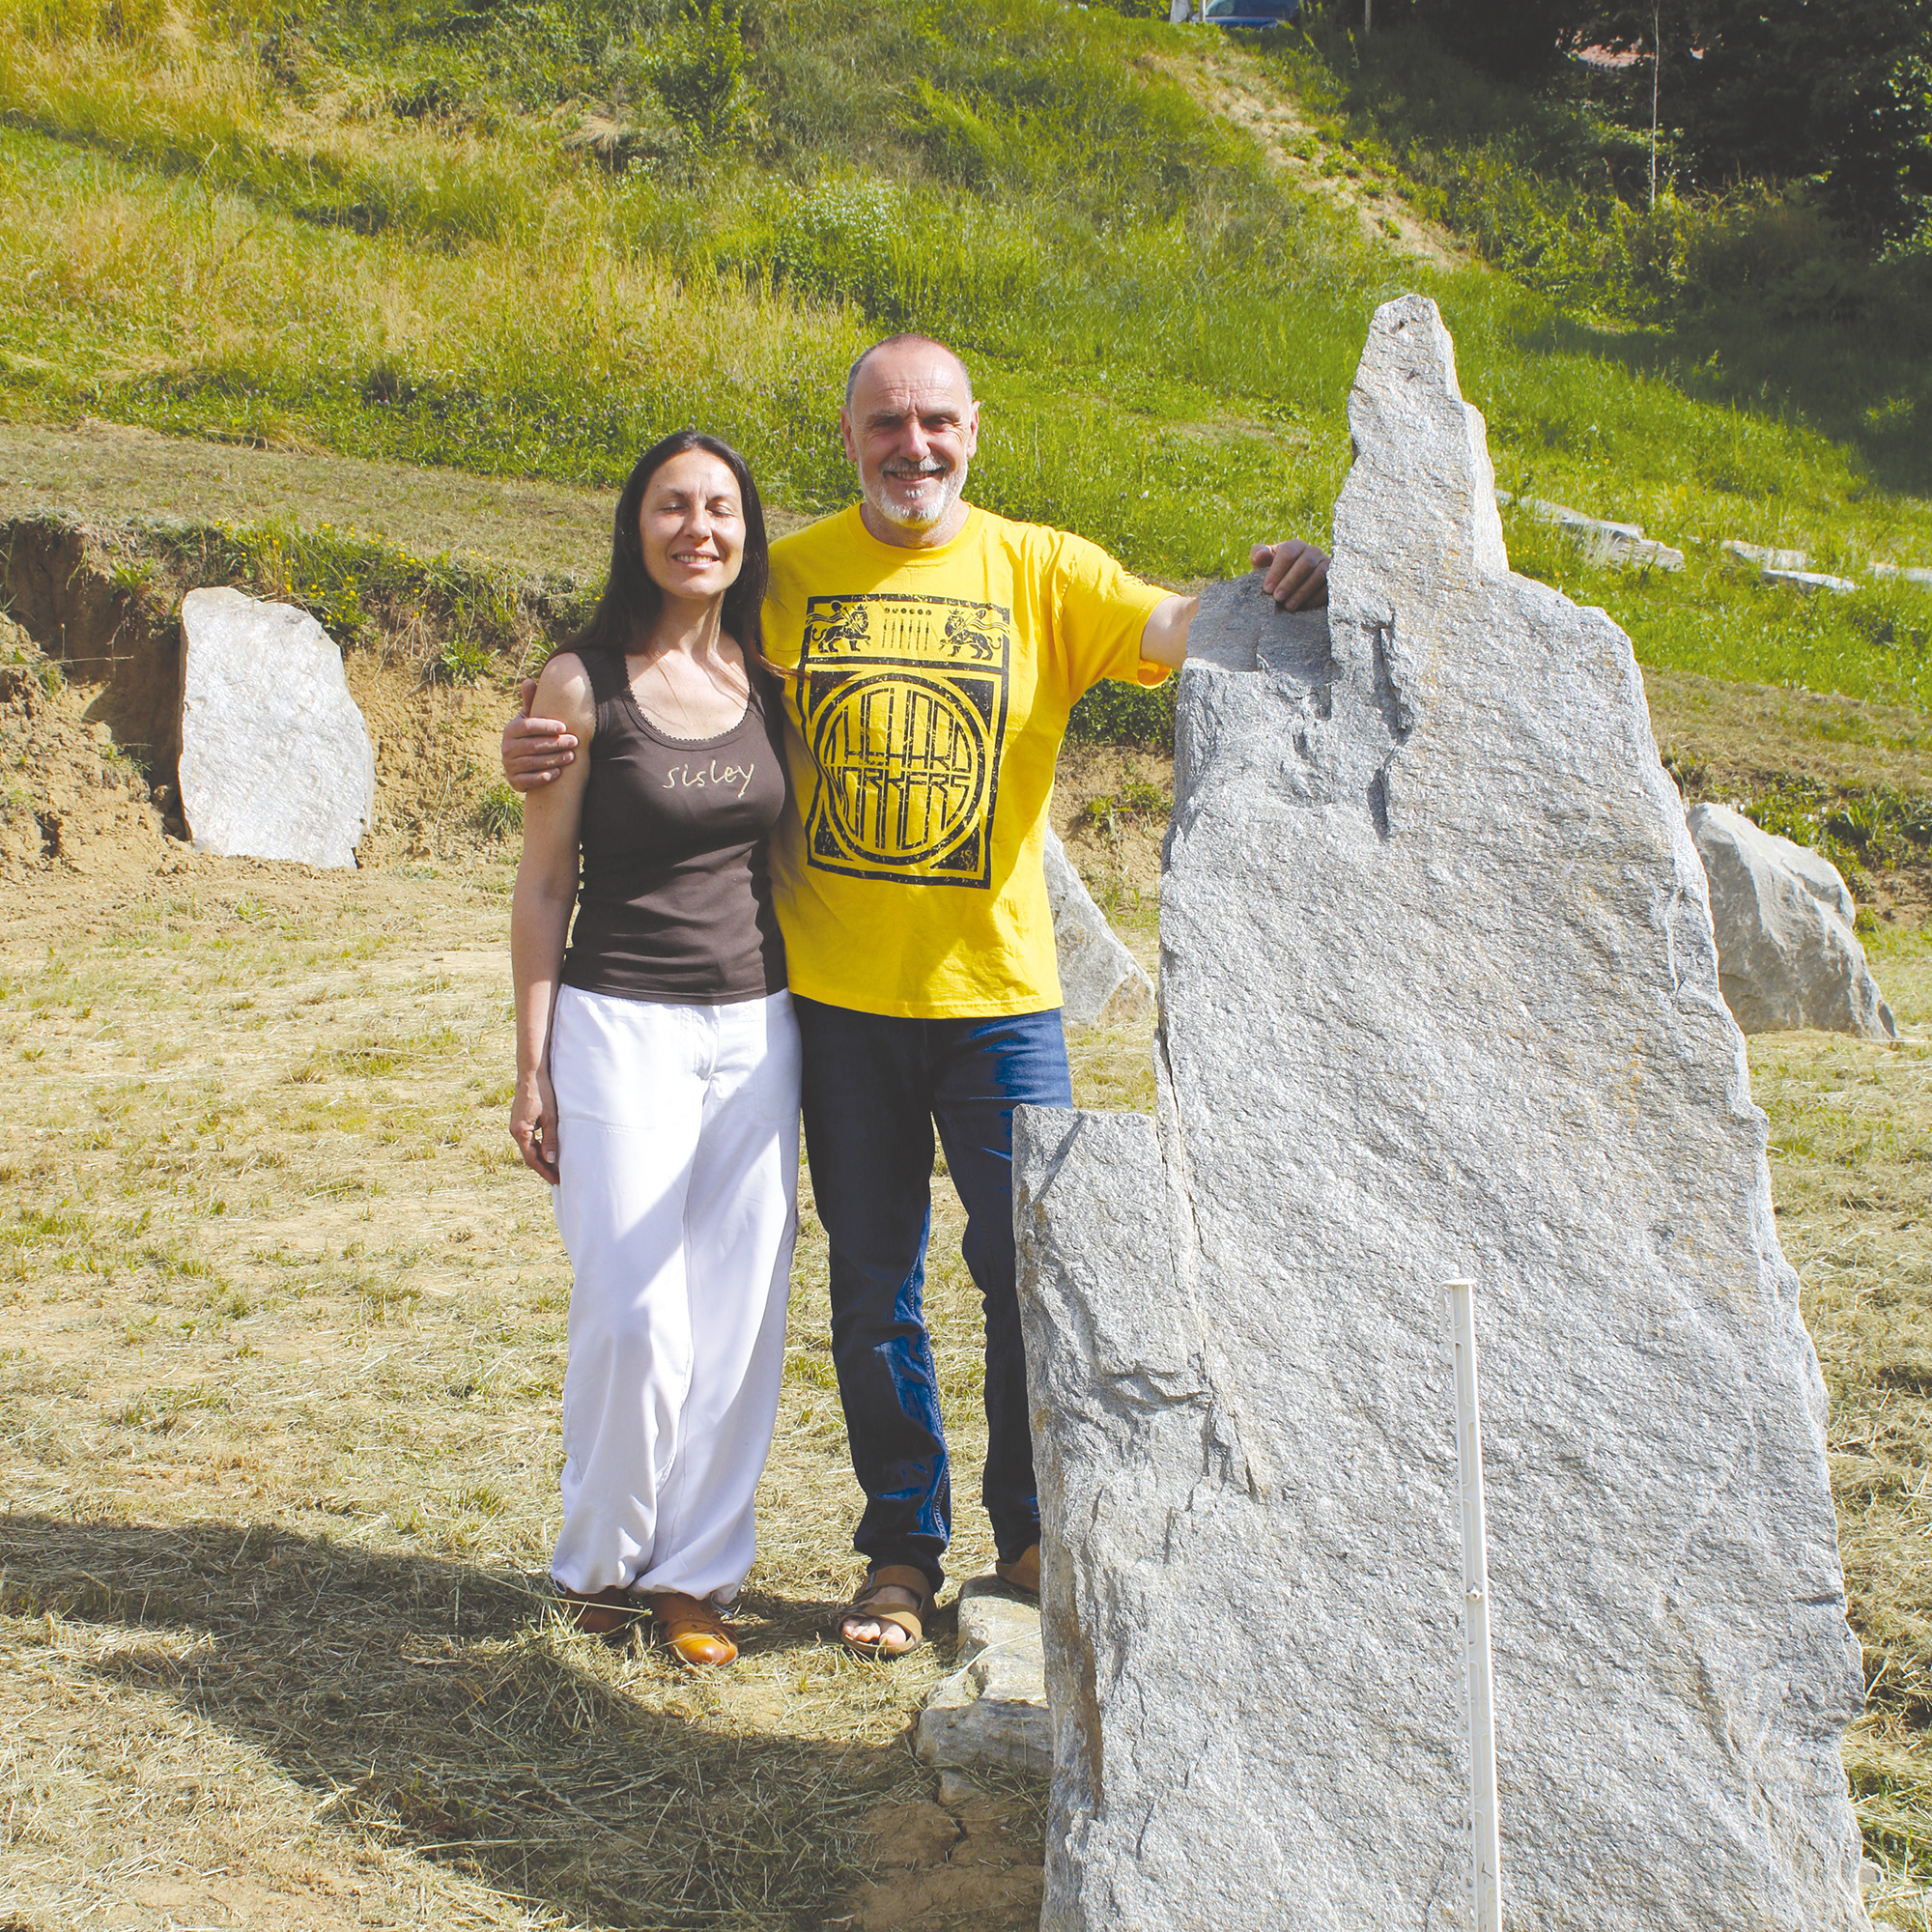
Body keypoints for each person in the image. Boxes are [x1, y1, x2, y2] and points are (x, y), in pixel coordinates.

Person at [503, 336, 1327, 1656]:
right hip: (827, 1004)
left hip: (1000, 1002)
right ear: (850, 438)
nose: (914, 448)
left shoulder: (1043, 570)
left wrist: (1286, 580)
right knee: (871, 1281)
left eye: (936, 422)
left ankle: (1031, 1530)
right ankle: (900, 1549)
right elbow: (658, 661)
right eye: (886, 424)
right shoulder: (794, 579)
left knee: (1024, 1274)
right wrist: (543, 732)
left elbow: (1183, 629)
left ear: (975, 430)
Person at [509, 429, 799, 1668]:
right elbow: (539, 882)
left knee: (736, 1313)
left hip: (758, 1026)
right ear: (636, 527)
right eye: (673, 507)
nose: (699, 528)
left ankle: (694, 1576)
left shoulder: (765, 676)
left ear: (746, 533)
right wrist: (531, 1059)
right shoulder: (580, 684)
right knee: (632, 1311)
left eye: (721, 508)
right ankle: (595, 1561)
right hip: (617, 1016)